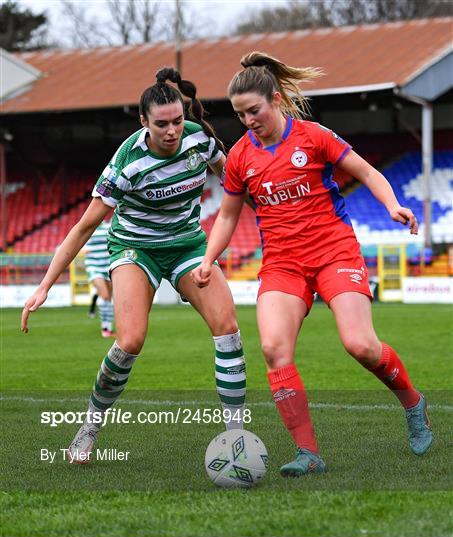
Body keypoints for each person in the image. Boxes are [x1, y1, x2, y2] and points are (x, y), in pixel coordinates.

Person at [192, 51, 433, 477]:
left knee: (361, 345)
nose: (248, 120)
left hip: (335, 252)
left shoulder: (314, 136)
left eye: (255, 110)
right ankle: (309, 454)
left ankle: (413, 402)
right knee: (273, 349)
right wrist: (209, 259)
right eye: (240, 114)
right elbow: (228, 214)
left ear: (278, 99)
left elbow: (368, 171)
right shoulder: (241, 159)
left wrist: (393, 204)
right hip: (283, 264)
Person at [21, 68, 247, 463]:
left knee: (227, 328)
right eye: (162, 124)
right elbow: (83, 228)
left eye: (178, 121)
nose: (173, 131)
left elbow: (234, 181)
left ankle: (237, 440)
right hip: (134, 248)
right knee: (130, 340)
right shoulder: (126, 163)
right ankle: (89, 428)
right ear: (143, 122)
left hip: (187, 244)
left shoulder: (200, 140)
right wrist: (44, 286)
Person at [84, 220, 115, 337]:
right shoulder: (88, 227)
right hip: (94, 266)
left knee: (109, 299)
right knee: (105, 295)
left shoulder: (109, 226)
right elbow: (78, 243)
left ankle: (108, 328)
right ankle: (105, 328)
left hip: (108, 266)